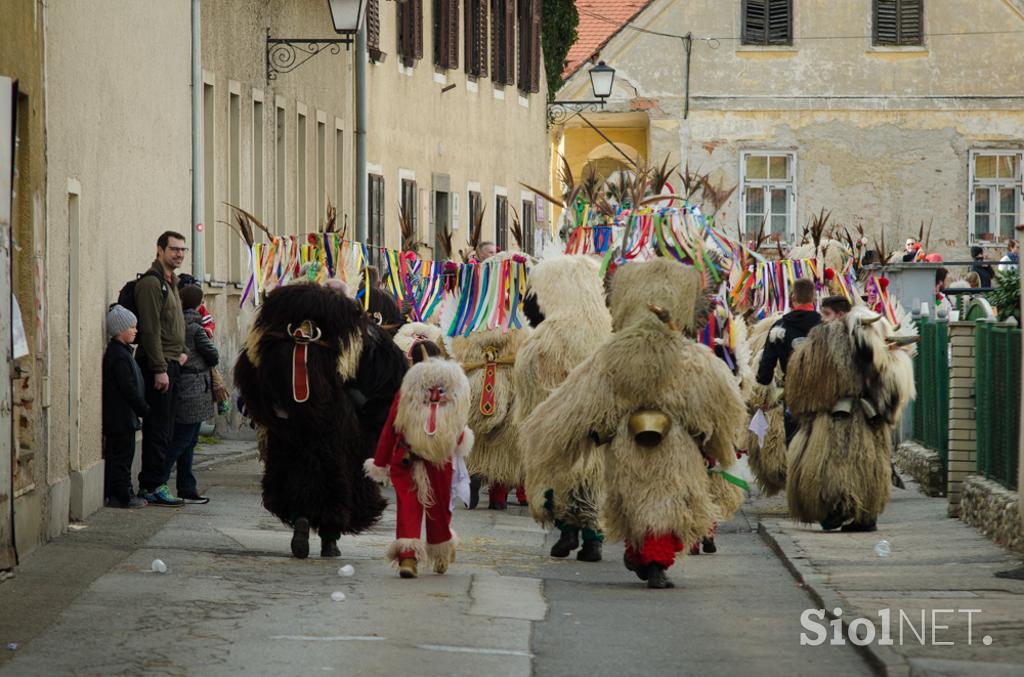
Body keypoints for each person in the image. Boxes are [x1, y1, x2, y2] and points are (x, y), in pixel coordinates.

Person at [524, 259, 746, 589]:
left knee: (636, 504)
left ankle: (646, 558)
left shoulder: (610, 356)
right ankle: (654, 562)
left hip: (629, 445)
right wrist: (715, 440)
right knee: (669, 503)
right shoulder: (692, 356)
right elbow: (720, 404)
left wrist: (577, 437)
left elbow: (579, 400)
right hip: (677, 447)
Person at [233, 282, 398, 559]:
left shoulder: (276, 326)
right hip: (338, 422)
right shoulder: (353, 330)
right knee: (338, 476)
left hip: (288, 420)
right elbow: (386, 378)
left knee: (293, 471)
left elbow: (250, 373)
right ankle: (330, 539)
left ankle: (301, 518)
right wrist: (372, 422)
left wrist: (268, 413)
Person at [515, 256, 612, 562]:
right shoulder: (608, 330)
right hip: (596, 420)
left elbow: (528, 379)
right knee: (594, 476)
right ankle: (593, 538)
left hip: (556, 420)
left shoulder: (546, 336)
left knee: (558, 471)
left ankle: (566, 530)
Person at [785, 306, 915, 532]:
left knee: (841, 466)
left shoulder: (825, 345)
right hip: (864, 416)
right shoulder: (840, 343)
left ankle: (847, 511)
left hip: (842, 419)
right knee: (862, 466)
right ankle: (859, 514)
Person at [365, 341, 473, 578]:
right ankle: (442, 553)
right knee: (439, 510)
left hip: (406, 458)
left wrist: (381, 462)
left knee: (408, 508)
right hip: (439, 460)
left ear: (411, 361)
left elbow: (391, 427)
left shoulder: (408, 389)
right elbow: (459, 427)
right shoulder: (455, 388)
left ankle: (408, 559)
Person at [135, 231, 188, 507]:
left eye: (183, 250)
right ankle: (152, 485)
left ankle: (156, 482)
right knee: (157, 428)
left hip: (171, 362)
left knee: (167, 428)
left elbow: (176, 325)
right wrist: (159, 368)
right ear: (160, 250)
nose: (179, 254)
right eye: (174, 249)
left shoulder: (173, 283)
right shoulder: (152, 284)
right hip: (158, 365)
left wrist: (182, 353)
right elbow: (151, 329)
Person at [164, 285, 218, 504]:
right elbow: (213, 355)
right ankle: (159, 480)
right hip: (194, 387)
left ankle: (187, 486)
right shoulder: (195, 328)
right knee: (184, 439)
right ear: (199, 304)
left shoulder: (176, 323)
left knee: (188, 439)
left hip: (182, 384)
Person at [755, 278, 821, 443]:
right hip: (822, 395)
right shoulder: (825, 325)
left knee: (794, 443)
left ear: (793, 298)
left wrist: (764, 383)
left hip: (793, 393)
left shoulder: (780, 327)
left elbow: (765, 370)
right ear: (813, 298)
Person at [102, 305, 150, 508]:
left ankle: (120, 493)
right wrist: (142, 408)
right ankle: (122, 495)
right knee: (121, 459)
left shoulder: (123, 352)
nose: (135, 330)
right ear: (120, 330)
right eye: (132, 327)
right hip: (120, 418)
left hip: (124, 418)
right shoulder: (119, 355)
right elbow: (128, 387)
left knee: (123, 457)